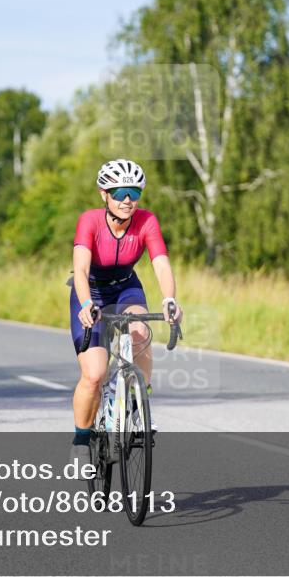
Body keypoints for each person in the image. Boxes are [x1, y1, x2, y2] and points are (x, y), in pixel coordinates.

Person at [69, 159, 182, 468]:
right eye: (120, 192)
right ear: (104, 194)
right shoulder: (89, 221)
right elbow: (80, 269)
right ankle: (81, 439)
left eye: (134, 192)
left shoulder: (146, 221)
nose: (128, 200)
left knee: (140, 331)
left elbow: (160, 262)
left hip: (125, 288)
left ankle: (138, 403)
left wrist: (169, 298)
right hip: (91, 291)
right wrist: (84, 304)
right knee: (94, 375)